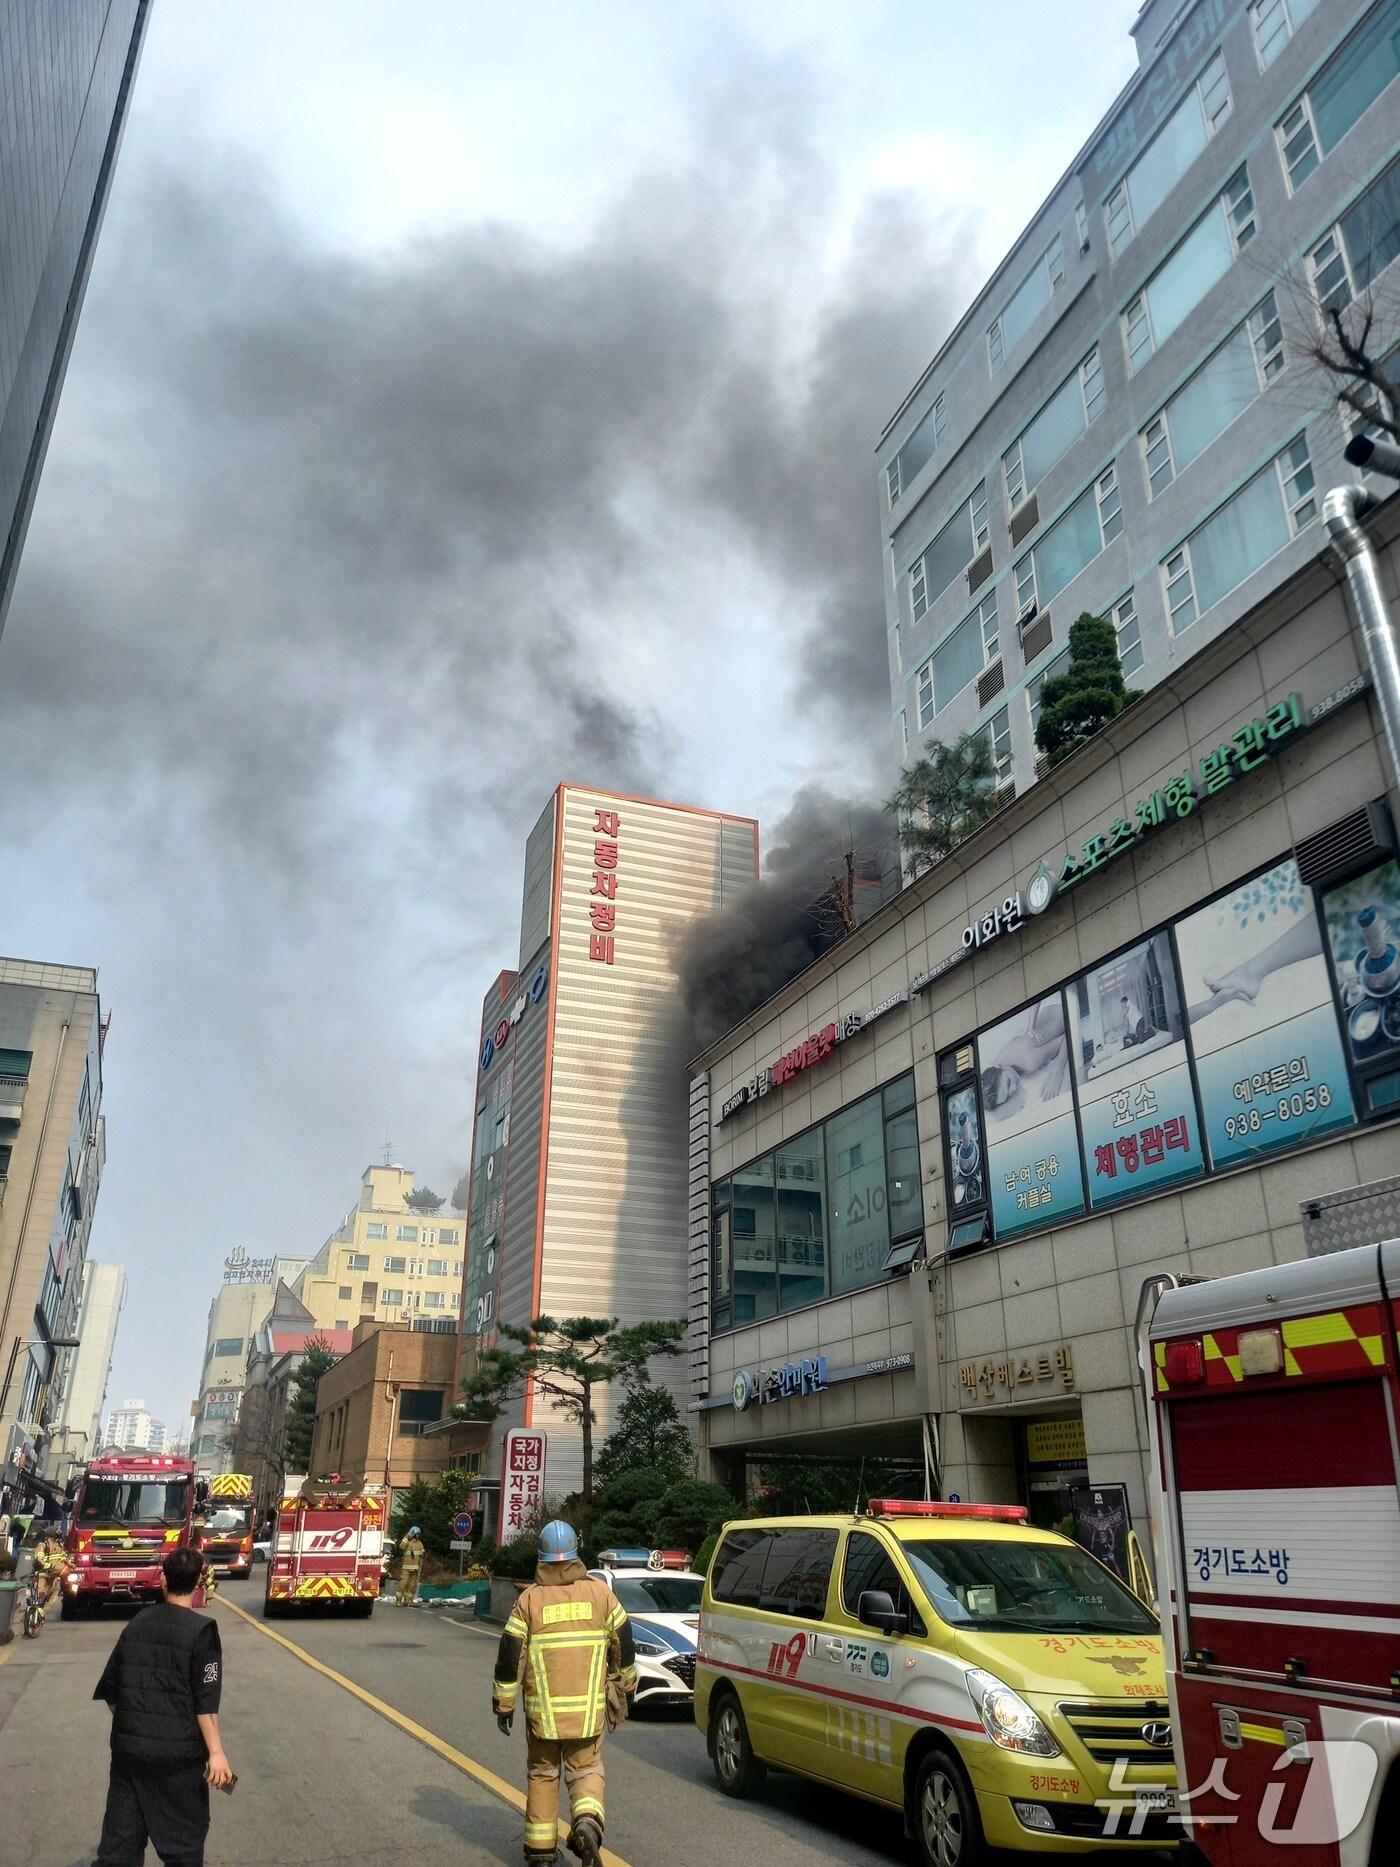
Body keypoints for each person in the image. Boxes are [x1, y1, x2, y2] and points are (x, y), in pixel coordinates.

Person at [492, 1519, 636, 1867]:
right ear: (575, 1554)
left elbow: (511, 1658)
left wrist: (504, 1704)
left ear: (541, 1557)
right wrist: (626, 1684)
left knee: (543, 1775)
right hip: (588, 1714)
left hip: (543, 1717)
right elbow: (625, 1643)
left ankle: (541, 1853)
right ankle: (587, 1823)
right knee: (586, 1772)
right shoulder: (601, 1595)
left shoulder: (529, 1602)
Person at [91, 1543, 234, 1867]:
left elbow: (112, 1692)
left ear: (163, 1580)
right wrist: (216, 1753)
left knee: (119, 1850)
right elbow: (205, 1703)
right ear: (199, 1582)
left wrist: (136, 1723)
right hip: (178, 1762)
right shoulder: (202, 1632)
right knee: (183, 1848)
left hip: (130, 1755)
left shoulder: (137, 1623)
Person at [32, 1530, 70, 1623]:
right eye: (57, 1534)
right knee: (40, 1594)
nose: (59, 1535)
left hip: (53, 1576)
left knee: (52, 1595)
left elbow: (63, 1557)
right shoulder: (43, 1545)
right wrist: (49, 1566)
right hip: (42, 1574)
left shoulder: (59, 1545)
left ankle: (41, 1614)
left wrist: (68, 1564)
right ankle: (33, 1615)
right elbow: (39, 1560)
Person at [396, 1524, 426, 1607]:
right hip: (406, 1568)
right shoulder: (407, 1543)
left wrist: (420, 1567)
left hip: (415, 1569)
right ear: (413, 1534)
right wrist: (406, 1536)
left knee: (411, 1587)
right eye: (417, 1534)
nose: (418, 1536)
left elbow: (422, 1556)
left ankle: (407, 1601)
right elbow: (401, 1546)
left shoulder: (420, 1544)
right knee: (403, 1585)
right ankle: (398, 1600)